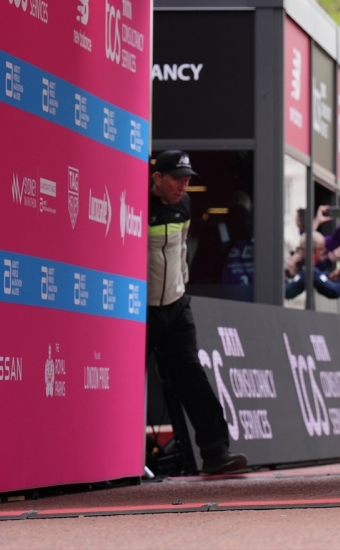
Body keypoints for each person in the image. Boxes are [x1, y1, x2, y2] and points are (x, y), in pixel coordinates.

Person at [147, 150, 248, 475]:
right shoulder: (138, 205)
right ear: (157, 178)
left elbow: (181, 250)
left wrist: (182, 284)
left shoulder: (185, 205)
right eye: (177, 178)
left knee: (192, 374)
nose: (183, 186)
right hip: (141, 310)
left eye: (187, 179)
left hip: (176, 306)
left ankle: (216, 452)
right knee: (127, 380)